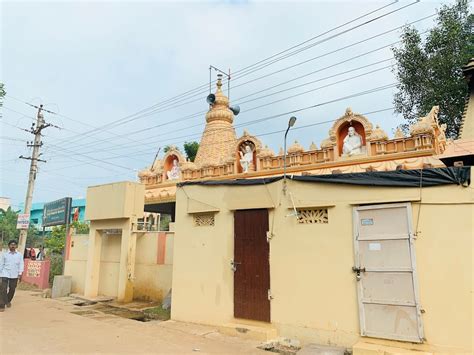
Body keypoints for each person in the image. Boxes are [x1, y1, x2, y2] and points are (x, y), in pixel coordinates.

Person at [0, 240, 24, 312]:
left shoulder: (19, 255)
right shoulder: (4, 254)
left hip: (14, 275)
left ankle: (7, 300)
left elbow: (21, 264)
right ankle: (2, 305)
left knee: (12, 289)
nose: (12, 246)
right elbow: (1, 264)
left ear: (16, 246)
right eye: (11, 245)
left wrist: (20, 273)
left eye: (14, 245)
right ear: (9, 246)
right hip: (5, 273)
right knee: (3, 289)